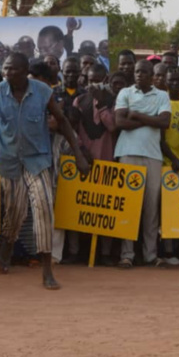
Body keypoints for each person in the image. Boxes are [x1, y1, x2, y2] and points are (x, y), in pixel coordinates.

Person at [0, 52, 89, 287]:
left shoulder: (43, 92)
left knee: (44, 207)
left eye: (12, 69)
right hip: (10, 161)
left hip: (38, 159)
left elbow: (62, 121)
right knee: (14, 212)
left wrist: (79, 154)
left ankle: (47, 270)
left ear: (24, 72)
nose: (7, 73)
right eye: (5, 69)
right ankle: (7, 247)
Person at [114, 60, 171, 268]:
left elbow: (165, 122)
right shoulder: (125, 93)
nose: (139, 75)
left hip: (153, 155)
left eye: (144, 72)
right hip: (127, 153)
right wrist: (150, 120)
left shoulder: (162, 95)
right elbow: (120, 123)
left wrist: (136, 115)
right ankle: (126, 255)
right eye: (137, 71)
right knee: (127, 206)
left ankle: (150, 255)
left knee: (151, 208)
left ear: (151, 75)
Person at [73, 63, 118, 266]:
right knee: (79, 207)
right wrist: (81, 151)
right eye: (91, 81)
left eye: (98, 81)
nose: (93, 85)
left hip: (107, 159)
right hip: (84, 161)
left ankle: (105, 253)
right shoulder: (79, 100)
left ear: (105, 80)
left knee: (106, 209)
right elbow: (72, 129)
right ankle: (76, 252)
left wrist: (101, 104)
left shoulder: (113, 100)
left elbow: (112, 126)